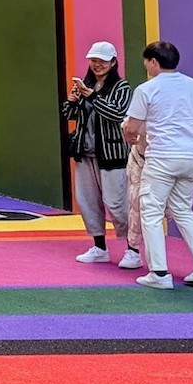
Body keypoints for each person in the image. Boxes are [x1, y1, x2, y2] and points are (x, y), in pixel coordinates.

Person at [122, 41, 193, 289]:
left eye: (146, 61)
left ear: (154, 61)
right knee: (183, 210)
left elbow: (132, 127)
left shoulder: (147, 89)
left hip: (161, 157)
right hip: (192, 157)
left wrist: (130, 136)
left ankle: (159, 273)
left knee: (151, 211)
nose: (145, 66)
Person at [63, 41, 141, 269]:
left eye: (102, 61)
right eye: (93, 60)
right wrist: (73, 100)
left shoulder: (122, 88)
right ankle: (99, 247)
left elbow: (117, 115)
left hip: (113, 154)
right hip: (85, 153)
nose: (97, 65)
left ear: (113, 62)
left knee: (117, 203)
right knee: (88, 202)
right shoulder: (85, 84)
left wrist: (91, 97)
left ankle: (132, 249)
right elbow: (69, 115)